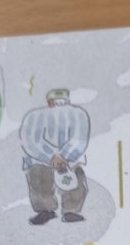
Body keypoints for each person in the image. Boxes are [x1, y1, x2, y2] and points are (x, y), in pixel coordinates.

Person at [19, 88, 90, 224]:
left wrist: (64, 156)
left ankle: (71, 210)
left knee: (76, 180)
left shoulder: (78, 114)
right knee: (39, 180)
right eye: (55, 102)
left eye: (62, 101)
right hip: (41, 158)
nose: (58, 105)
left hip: (70, 158)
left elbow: (79, 138)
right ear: (49, 102)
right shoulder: (35, 116)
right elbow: (30, 140)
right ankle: (45, 210)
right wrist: (51, 157)